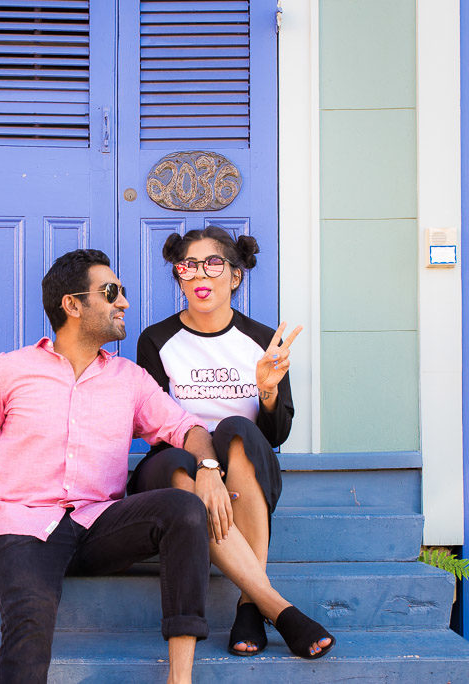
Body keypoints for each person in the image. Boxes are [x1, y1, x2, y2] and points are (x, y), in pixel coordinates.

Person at [0, 249, 331, 684]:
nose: (124, 303)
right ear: (72, 305)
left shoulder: (129, 379)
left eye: (122, 293)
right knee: (29, 622)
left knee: (183, 508)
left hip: (97, 526)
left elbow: (186, 429)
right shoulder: (8, 371)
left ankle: (180, 678)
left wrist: (207, 468)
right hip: (24, 528)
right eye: (111, 292)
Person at [129, 226, 334, 659]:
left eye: (213, 263)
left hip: (244, 459)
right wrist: (205, 467)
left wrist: (267, 391)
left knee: (235, 431)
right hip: (177, 460)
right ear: (179, 278)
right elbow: (150, 423)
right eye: (187, 266)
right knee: (182, 461)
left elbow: (276, 435)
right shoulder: (155, 340)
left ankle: (247, 603)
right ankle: (272, 605)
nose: (200, 274)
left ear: (235, 276)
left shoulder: (262, 340)